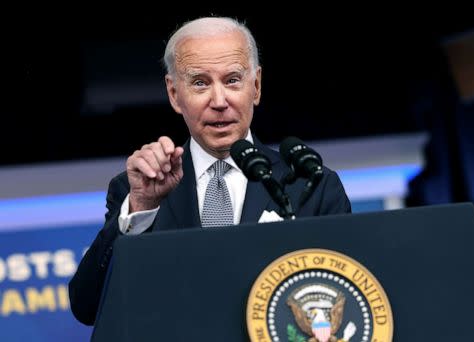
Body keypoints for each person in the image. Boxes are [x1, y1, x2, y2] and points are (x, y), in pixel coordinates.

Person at [68, 16, 351, 326]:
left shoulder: (312, 184)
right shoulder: (137, 192)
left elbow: (345, 296)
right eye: (200, 83)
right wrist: (141, 210)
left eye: (232, 80)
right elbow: (87, 306)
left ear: (255, 86)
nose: (219, 101)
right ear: (174, 94)